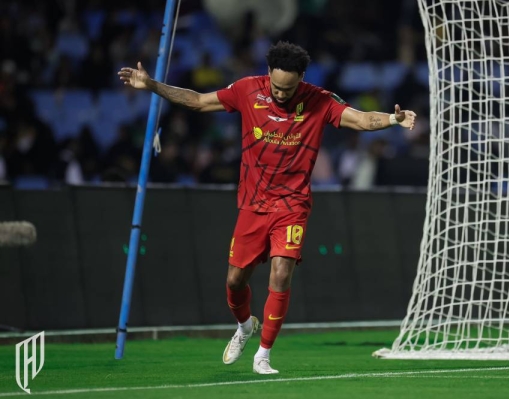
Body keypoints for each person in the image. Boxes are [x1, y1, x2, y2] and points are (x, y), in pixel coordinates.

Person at [118, 41, 416, 374]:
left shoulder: (319, 100)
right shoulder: (247, 90)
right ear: (268, 73)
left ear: (301, 78)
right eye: (276, 86)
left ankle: (263, 354)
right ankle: (246, 326)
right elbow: (199, 102)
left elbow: (361, 120)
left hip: (293, 205)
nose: (281, 94)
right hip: (252, 205)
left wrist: (393, 118)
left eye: (288, 89)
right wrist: (152, 85)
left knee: (281, 273)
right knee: (234, 282)